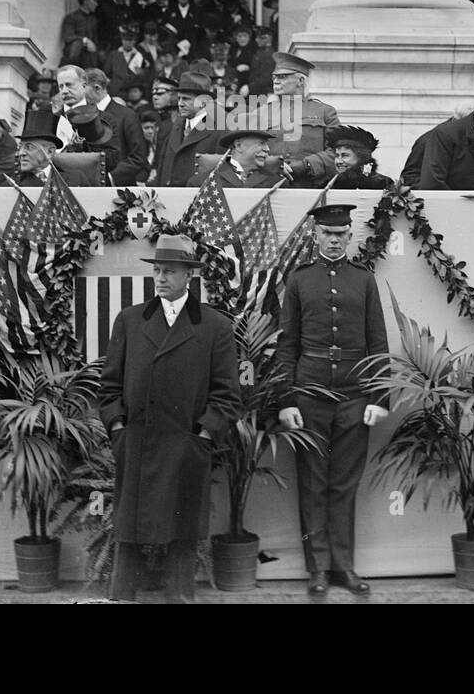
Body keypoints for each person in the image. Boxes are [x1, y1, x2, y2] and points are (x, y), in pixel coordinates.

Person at [100, 234, 240, 603]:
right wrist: (118, 429)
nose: (161, 278)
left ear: (189, 277)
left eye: (170, 272)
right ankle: (122, 597)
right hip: (138, 443)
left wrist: (203, 436)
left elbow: (227, 395)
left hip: (186, 446)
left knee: (182, 530)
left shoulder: (214, 327)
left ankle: (181, 597)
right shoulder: (130, 320)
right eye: (157, 270)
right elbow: (109, 385)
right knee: (129, 529)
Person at [277, 204, 390, 597]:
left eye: (342, 233)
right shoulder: (299, 280)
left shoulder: (364, 280)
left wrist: (379, 396)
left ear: (350, 236)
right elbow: (287, 344)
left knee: (344, 484)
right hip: (309, 397)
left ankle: (344, 567)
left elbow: (378, 341)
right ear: (315, 235)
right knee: (312, 483)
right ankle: (318, 570)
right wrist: (286, 399)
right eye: (328, 233)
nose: (336, 239)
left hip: (356, 395)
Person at [262, 52, 340, 189]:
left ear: (300, 81)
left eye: (283, 77)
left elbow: (337, 151)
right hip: (271, 186)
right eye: (275, 77)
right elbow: (248, 151)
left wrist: (307, 165)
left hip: (312, 186)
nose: (276, 81)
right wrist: (272, 164)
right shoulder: (262, 113)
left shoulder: (325, 112)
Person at [81, 67, 147, 185]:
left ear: (97, 88)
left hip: (118, 189)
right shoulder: (83, 116)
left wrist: (110, 177)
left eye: (83, 87)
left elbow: (138, 156)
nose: (80, 93)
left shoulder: (127, 116)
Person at [155, 71, 219, 187]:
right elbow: (162, 167)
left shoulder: (219, 131)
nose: (180, 104)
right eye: (179, 99)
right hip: (167, 199)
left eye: (186, 99)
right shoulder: (175, 126)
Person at [14, 108, 85, 187]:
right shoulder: (12, 185)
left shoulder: (76, 180)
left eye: (29, 147)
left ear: (50, 152)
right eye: (20, 147)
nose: (21, 153)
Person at [194, 128, 277, 189]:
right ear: (238, 146)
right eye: (261, 143)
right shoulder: (202, 183)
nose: (267, 149)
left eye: (266, 144)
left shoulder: (276, 183)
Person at [328, 125, 394, 190]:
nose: (338, 161)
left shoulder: (382, 184)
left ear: (361, 159)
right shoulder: (329, 185)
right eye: (337, 156)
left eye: (344, 155)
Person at [101, 24, 152, 97]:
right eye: (125, 40)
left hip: (133, 94)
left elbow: (146, 76)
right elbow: (106, 73)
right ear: (122, 40)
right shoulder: (113, 54)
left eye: (131, 40)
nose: (128, 43)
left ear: (134, 41)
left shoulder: (140, 56)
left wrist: (142, 72)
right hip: (115, 92)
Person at [61, 0, 100, 67]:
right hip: (75, 55)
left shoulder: (93, 19)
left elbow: (95, 39)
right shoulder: (71, 17)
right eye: (94, 1)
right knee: (77, 44)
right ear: (86, 2)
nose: (96, 4)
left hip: (89, 55)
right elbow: (68, 37)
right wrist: (85, 40)